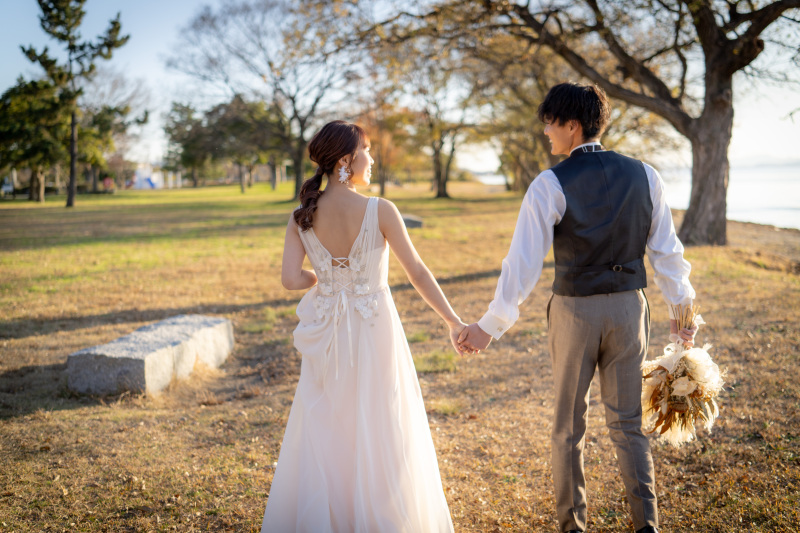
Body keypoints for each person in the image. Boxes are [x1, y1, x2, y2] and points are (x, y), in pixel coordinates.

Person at [458, 83, 698, 533]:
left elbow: (523, 264)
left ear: (572, 126)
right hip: (631, 309)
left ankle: (573, 527)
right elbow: (667, 251)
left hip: (574, 312)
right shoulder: (646, 175)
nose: (546, 131)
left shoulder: (549, 183)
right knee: (628, 424)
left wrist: (491, 325)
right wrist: (682, 311)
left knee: (569, 427)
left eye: (550, 122)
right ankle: (647, 525)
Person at [261, 120, 462, 532]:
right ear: (345, 161)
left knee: (328, 424)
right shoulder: (380, 209)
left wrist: (322, 280)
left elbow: (290, 279)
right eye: (367, 151)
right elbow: (418, 272)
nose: (372, 159)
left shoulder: (302, 216)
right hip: (375, 330)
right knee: (382, 421)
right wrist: (452, 321)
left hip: (328, 333)